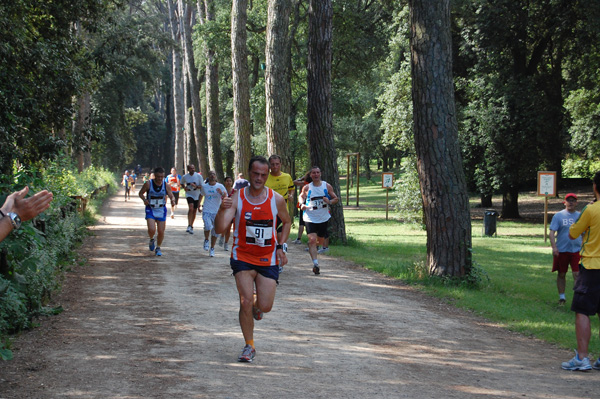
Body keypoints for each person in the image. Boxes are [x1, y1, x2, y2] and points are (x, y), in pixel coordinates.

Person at [215, 155, 291, 363]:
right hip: (243, 257)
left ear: (268, 175)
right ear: (249, 173)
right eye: (255, 174)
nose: (259, 178)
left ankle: (258, 306)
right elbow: (219, 228)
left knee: (265, 306)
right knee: (245, 300)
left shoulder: (276, 199)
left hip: (268, 258)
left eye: (263, 175)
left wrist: (281, 247)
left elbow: (287, 222)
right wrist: (222, 209)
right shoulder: (237, 198)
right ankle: (249, 345)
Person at [561, 172, 600, 371]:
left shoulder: (591, 209)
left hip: (592, 266)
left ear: (595, 187)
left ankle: (582, 358)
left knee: (582, 311)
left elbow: (574, 232)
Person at [298, 166, 339, 275]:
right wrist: (302, 204)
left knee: (319, 241)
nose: (315, 175)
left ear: (320, 174)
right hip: (309, 216)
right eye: (313, 173)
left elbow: (336, 199)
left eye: (317, 172)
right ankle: (315, 264)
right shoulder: (307, 187)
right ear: (311, 175)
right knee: (312, 240)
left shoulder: (327, 186)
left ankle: (314, 247)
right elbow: (301, 196)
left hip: (323, 216)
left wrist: (329, 201)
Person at [549, 193, 581, 305]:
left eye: (573, 200)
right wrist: (554, 247)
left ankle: (577, 299)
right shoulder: (559, 216)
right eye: (569, 200)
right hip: (562, 250)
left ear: (576, 203)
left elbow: (586, 232)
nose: (571, 202)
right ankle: (562, 298)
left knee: (577, 274)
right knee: (562, 273)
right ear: (565, 202)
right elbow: (552, 232)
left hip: (577, 250)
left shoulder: (580, 216)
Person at [138, 167, 176, 257]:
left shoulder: (166, 185)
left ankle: (158, 247)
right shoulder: (148, 184)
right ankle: (151, 239)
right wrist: (144, 200)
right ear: (154, 176)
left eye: (162, 177)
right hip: (150, 209)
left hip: (161, 209)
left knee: (161, 231)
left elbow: (171, 195)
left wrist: (173, 200)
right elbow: (140, 193)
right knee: (151, 229)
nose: (160, 179)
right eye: (158, 176)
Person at [265, 155, 295, 252]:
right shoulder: (265, 177)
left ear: (280, 164)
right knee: (269, 238)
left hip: (282, 211)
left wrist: (291, 195)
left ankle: (281, 255)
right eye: (272, 164)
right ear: (269, 165)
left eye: (277, 164)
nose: (275, 167)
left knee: (280, 236)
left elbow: (291, 188)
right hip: (268, 211)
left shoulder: (287, 176)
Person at [200, 171, 226, 257]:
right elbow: (201, 195)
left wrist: (221, 193)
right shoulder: (204, 186)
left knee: (215, 232)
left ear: (215, 176)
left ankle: (212, 248)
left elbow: (226, 196)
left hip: (217, 212)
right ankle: (206, 240)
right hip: (207, 210)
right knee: (207, 226)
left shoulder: (220, 186)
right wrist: (198, 205)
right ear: (208, 176)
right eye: (210, 174)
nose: (212, 175)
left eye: (213, 174)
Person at [180, 164, 204, 234]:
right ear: (188, 169)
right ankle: (189, 225)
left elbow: (202, 186)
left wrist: (196, 186)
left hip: (196, 195)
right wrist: (184, 187)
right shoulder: (185, 177)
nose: (192, 169)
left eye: (193, 168)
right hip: (189, 194)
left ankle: (191, 225)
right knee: (191, 208)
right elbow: (181, 183)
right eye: (191, 168)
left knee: (194, 210)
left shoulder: (198, 176)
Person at [292, 171, 311, 244]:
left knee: (302, 222)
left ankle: (299, 238)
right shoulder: (313, 185)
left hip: (304, 203)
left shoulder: (304, 183)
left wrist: (301, 178)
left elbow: (294, 182)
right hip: (310, 203)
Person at [219, 176, 236, 251]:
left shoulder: (235, 191)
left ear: (232, 182)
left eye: (230, 181)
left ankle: (226, 243)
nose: (229, 182)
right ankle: (222, 235)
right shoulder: (222, 191)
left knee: (228, 227)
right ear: (224, 182)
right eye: (227, 181)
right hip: (223, 211)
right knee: (224, 227)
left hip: (231, 212)